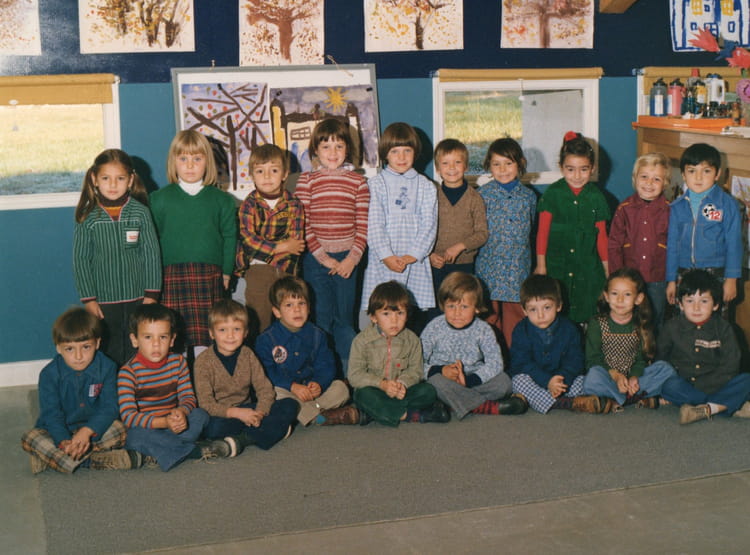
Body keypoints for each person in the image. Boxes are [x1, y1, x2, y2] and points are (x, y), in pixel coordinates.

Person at [150, 130, 237, 359]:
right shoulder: (158, 199)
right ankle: (179, 380)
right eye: (183, 159)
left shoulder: (222, 201)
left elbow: (230, 237)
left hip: (209, 276)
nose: (190, 165)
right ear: (173, 161)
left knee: (207, 338)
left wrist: (227, 271)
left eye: (197, 159)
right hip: (170, 276)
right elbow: (151, 242)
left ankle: (205, 378)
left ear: (207, 162)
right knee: (175, 339)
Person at [21, 308, 140, 474]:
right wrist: (64, 441)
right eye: (70, 349)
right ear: (58, 348)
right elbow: (52, 414)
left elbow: (110, 407)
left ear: (97, 344)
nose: (78, 356)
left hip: (94, 431)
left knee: (122, 429)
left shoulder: (108, 367)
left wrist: (87, 431)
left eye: (86, 347)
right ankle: (93, 461)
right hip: (59, 431)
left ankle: (56, 460)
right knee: (30, 438)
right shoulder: (49, 374)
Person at [72, 149, 161, 365]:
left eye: (120, 178)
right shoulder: (88, 217)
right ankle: (112, 385)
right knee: (108, 348)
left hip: (138, 297)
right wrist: (89, 298)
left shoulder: (140, 213)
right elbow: (80, 260)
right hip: (103, 299)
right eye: (106, 178)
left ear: (130, 180)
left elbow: (151, 254)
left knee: (137, 346)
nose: (113, 185)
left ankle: (135, 383)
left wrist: (151, 294)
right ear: (94, 179)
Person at [295, 118, 370, 372]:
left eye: (339, 146)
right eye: (326, 146)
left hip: (348, 260)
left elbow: (363, 227)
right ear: (315, 150)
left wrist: (351, 259)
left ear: (348, 149)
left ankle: (349, 374)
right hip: (316, 260)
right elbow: (303, 225)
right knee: (321, 319)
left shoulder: (358, 183)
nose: (333, 152)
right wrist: (325, 259)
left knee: (345, 319)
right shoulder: (306, 181)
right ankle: (322, 372)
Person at [118, 304, 231, 471]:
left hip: (176, 426)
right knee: (134, 436)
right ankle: (194, 451)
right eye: (148, 337)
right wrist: (163, 422)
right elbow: (129, 416)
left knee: (200, 415)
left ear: (172, 340)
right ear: (135, 340)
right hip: (149, 428)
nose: (156, 344)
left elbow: (188, 397)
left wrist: (182, 412)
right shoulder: (128, 373)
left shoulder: (178, 362)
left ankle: (160, 451)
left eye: (163, 337)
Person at [194, 299, 298, 455]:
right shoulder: (203, 362)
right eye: (222, 330)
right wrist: (238, 414)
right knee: (212, 428)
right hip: (223, 415)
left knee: (290, 404)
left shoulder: (248, 354)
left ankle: (243, 440)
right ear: (211, 333)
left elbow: (265, 389)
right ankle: (272, 430)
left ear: (246, 332)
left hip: (249, 409)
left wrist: (260, 413)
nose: (230, 335)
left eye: (236, 329)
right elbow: (206, 404)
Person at [360, 122, 438, 328]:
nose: (401, 157)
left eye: (407, 150)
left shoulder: (426, 186)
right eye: (395, 151)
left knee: (412, 318)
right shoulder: (375, 185)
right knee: (384, 313)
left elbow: (429, 225)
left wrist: (413, 255)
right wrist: (386, 255)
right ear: (385, 153)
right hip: (384, 261)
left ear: (416, 152)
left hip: (414, 262)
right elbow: (374, 224)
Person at [421, 272, 527, 419]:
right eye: (451, 306)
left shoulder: (483, 329)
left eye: (464, 307)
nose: (457, 313)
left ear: (476, 308)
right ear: (443, 306)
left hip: (473, 378)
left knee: (504, 382)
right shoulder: (434, 328)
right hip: (444, 378)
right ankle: (487, 407)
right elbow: (417, 362)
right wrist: (440, 370)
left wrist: (469, 381)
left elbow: (496, 363)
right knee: (434, 383)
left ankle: (454, 402)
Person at [256, 277, 356, 426]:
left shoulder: (318, 335)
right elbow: (266, 373)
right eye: (289, 305)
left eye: (301, 303)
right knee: (276, 395)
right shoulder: (266, 339)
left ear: (309, 308)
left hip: (312, 393)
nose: (297, 309)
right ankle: (321, 418)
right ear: (277, 312)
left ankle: (310, 411)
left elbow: (326, 365)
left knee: (341, 389)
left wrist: (318, 383)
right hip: (287, 391)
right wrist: (292, 386)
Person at [348, 281, 450, 427]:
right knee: (362, 395)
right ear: (373, 317)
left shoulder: (412, 340)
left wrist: (402, 384)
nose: (394, 320)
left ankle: (375, 413)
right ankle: (412, 415)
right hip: (375, 390)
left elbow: (416, 371)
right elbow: (355, 375)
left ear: (407, 315)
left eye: (400, 313)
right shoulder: (361, 341)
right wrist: (382, 384)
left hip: (402, 392)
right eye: (386, 314)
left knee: (428, 391)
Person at [535, 131, 610, 324]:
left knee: (588, 313)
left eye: (583, 169)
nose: (577, 176)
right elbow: (542, 233)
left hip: (588, 269)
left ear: (592, 168)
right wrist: (541, 266)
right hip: (557, 268)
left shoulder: (597, 198)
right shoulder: (552, 195)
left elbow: (602, 237)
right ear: (561, 167)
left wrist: (608, 271)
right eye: (570, 169)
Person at [658, 269, 750, 424]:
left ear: (716, 305)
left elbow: (731, 364)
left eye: (704, 301)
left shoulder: (724, 328)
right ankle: (722, 406)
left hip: (718, 384)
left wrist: (709, 386)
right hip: (685, 385)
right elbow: (661, 359)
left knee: (747, 380)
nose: (696, 308)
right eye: (690, 301)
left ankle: (707, 409)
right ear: (680, 304)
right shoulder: (671, 327)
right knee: (669, 385)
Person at [509, 275, 607, 414]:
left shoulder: (570, 329)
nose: (540, 315)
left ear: (559, 305)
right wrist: (547, 381)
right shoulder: (521, 330)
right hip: (536, 379)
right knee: (518, 381)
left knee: (583, 380)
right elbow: (521, 363)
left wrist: (560, 380)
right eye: (533, 309)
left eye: (547, 307)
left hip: (563, 380)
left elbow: (575, 361)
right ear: (524, 310)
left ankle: (547, 400)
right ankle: (567, 403)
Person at [235, 143, 305, 338]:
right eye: (260, 171)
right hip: (257, 272)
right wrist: (282, 246)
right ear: (252, 175)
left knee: (291, 323)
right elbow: (249, 242)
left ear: (285, 174)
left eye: (273, 170)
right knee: (259, 322)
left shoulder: (294, 204)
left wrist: (271, 249)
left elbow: (296, 244)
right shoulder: (248, 205)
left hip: (287, 270)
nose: (267, 177)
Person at [582, 268, 676, 411]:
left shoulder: (641, 324)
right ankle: (635, 398)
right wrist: (615, 376)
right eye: (614, 293)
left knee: (665, 369)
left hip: (633, 378)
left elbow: (641, 360)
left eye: (627, 294)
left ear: (638, 298)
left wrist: (634, 378)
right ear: (606, 296)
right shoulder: (597, 323)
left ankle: (618, 398)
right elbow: (592, 360)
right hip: (608, 376)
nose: (620, 300)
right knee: (591, 378)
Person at [665, 143, 742, 311]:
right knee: (687, 318)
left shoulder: (727, 204)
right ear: (683, 174)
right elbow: (672, 246)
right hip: (685, 271)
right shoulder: (677, 207)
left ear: (717, 174)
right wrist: (671, 280)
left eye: (706, 171)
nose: (698, 177)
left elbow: (734, 244)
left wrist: (731, 279)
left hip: (716, 272)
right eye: (692, 171)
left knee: (715, 319)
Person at [475, 138, 535, 348]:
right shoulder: (482, 195)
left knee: (515, 320)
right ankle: (490, 358)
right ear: (489, 166)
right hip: (489, 269)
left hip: (517, 269)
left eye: (508, 163)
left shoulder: (528, 197)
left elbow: (531, 231)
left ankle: (514, 360)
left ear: (520, 163)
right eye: (496, 164)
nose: (503, 170)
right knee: (489, 318)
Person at [427, 139, 488, 323]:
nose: (452, 168)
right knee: (436, 312)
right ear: (438, 168)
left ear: (466, 166)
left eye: (457, 162)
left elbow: (482, 234)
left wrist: (460, 246)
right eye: (445, 163)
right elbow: (423, 229)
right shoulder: (431, 195)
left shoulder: (474, 198)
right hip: (436, 265)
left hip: (463, 266)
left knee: (460, 311)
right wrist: (429, 255)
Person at [608, 153, 671, 329]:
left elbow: (675, 246)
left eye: (656, 179)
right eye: (644, 177)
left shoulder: (670, 210)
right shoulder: (624, 209)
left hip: (658, 278)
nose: (649, 183)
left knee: (655, 321)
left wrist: (673, 279)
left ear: (665, 183)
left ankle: (653, 346)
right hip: (630, 279)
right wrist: (617, 277)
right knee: (630, 320)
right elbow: (614, 245)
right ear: (635, 178)